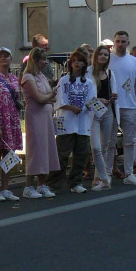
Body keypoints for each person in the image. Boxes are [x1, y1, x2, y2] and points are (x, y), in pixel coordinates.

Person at [20, 47, 60, 198]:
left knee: (46, 149)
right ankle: (28, 186)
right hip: (35, 117)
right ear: (35, 61)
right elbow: (39, 98)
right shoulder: (28, 77)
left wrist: (50, 96)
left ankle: (41, 184)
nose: (45, 62)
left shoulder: (41, 76)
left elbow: (49, 98)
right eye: (43, 59)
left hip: (45, 117)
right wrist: (51, 94)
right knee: (35, 149)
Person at [54, 49, 96, 194]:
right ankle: (54, 182)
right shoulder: (64, 80)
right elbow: (60, 100)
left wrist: (87, 106)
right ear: (70, 64)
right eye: (74, 61)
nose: (77, 63)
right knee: (62, 155)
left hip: (83, 124)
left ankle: (75, 182)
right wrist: (72, 108)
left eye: (80, 61)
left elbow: (92, 101)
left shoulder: (89, 83)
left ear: (85, 64)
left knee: (81, 155)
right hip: (67, 122)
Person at [0, 47, 23, 202]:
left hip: (11, 121)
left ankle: (5, 188)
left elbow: (16, 99)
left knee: (9, 155)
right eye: (0, 56)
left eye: (6, 56)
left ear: (11, 59)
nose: (3, 58)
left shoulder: (14, 80)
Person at [109, 30, 136, 185]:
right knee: (109, 141)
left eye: (123, 42)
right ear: (114, 42)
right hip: (110, 105)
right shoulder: (107, 59)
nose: (120, 44)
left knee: (129, 140)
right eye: (117, 41)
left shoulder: (134, 62)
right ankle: (107, 173)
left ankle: (129, 173)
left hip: (129, 105)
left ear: (128, 43)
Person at [88, 45, 117, 191]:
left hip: (107, 112)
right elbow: (85, 94)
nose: (103, 57)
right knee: (96, 147)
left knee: (104, 146)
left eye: (106, 55)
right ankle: (104, 178)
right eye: (101, 54)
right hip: (93, 111)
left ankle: (97, 177)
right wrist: (97, 99)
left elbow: (114, 91)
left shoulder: (110, 73)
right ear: (96, 56)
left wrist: (113, 97)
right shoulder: (88, 72)